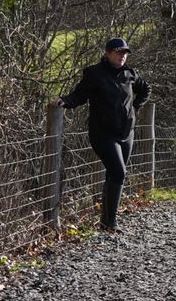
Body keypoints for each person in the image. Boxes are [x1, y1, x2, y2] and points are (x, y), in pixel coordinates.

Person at [57, 37, 151, 233]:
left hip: (126, 133)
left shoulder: (130, 73)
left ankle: (106, 223)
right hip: (103, 133)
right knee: (119, 171)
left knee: (115, 174)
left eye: (125, 53)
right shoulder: (94, 74)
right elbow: (80, 95)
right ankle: (111, 222)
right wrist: (64, 101)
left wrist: (134, 107)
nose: (122, 56)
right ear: (108, 53)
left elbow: (145, 89)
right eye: (118, 52)